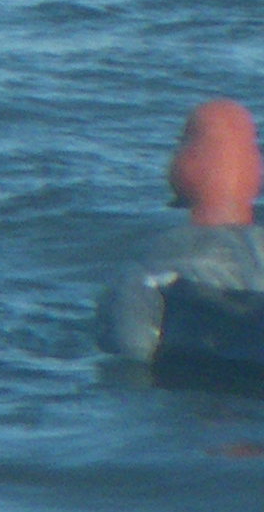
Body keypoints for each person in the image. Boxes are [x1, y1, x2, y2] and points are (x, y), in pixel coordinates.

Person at [98, 99, 264, 365]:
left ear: (194, 159)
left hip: (205, 359)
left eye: (182, 143)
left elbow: (129, 355)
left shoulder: (150, 266)